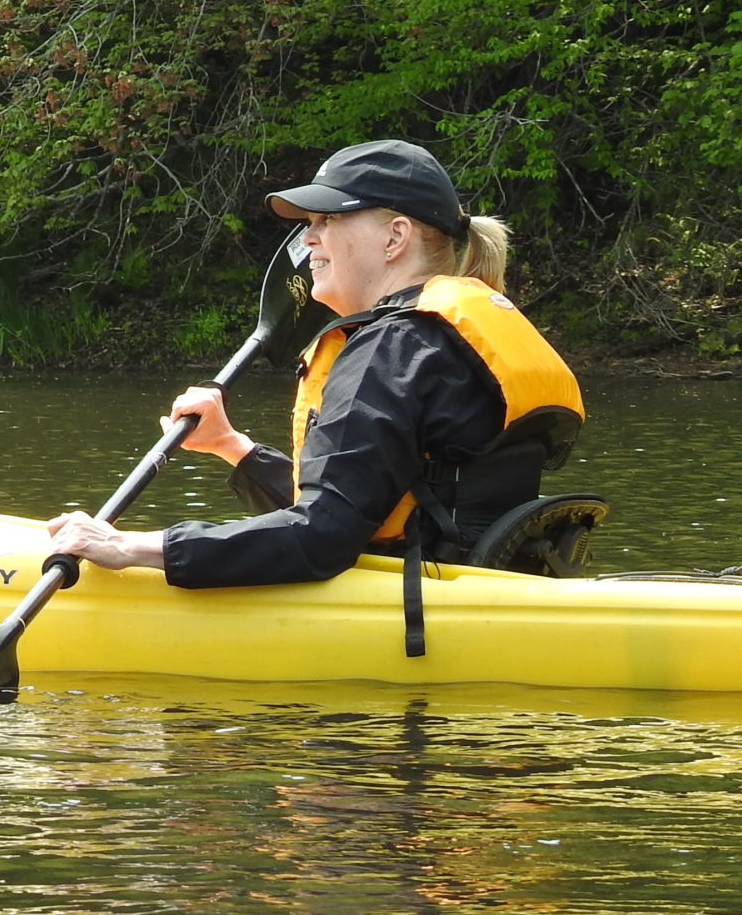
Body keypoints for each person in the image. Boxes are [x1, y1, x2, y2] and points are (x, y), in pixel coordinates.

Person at [44, 139, 583, 589]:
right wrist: (236, 449)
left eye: (327, 219)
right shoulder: (436, 341)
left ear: (395, 236)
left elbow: (319, 539)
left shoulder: (388, 349)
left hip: (422, 609)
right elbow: (372, 505)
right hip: (483, 588)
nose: (308, 239)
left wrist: (129, 546)